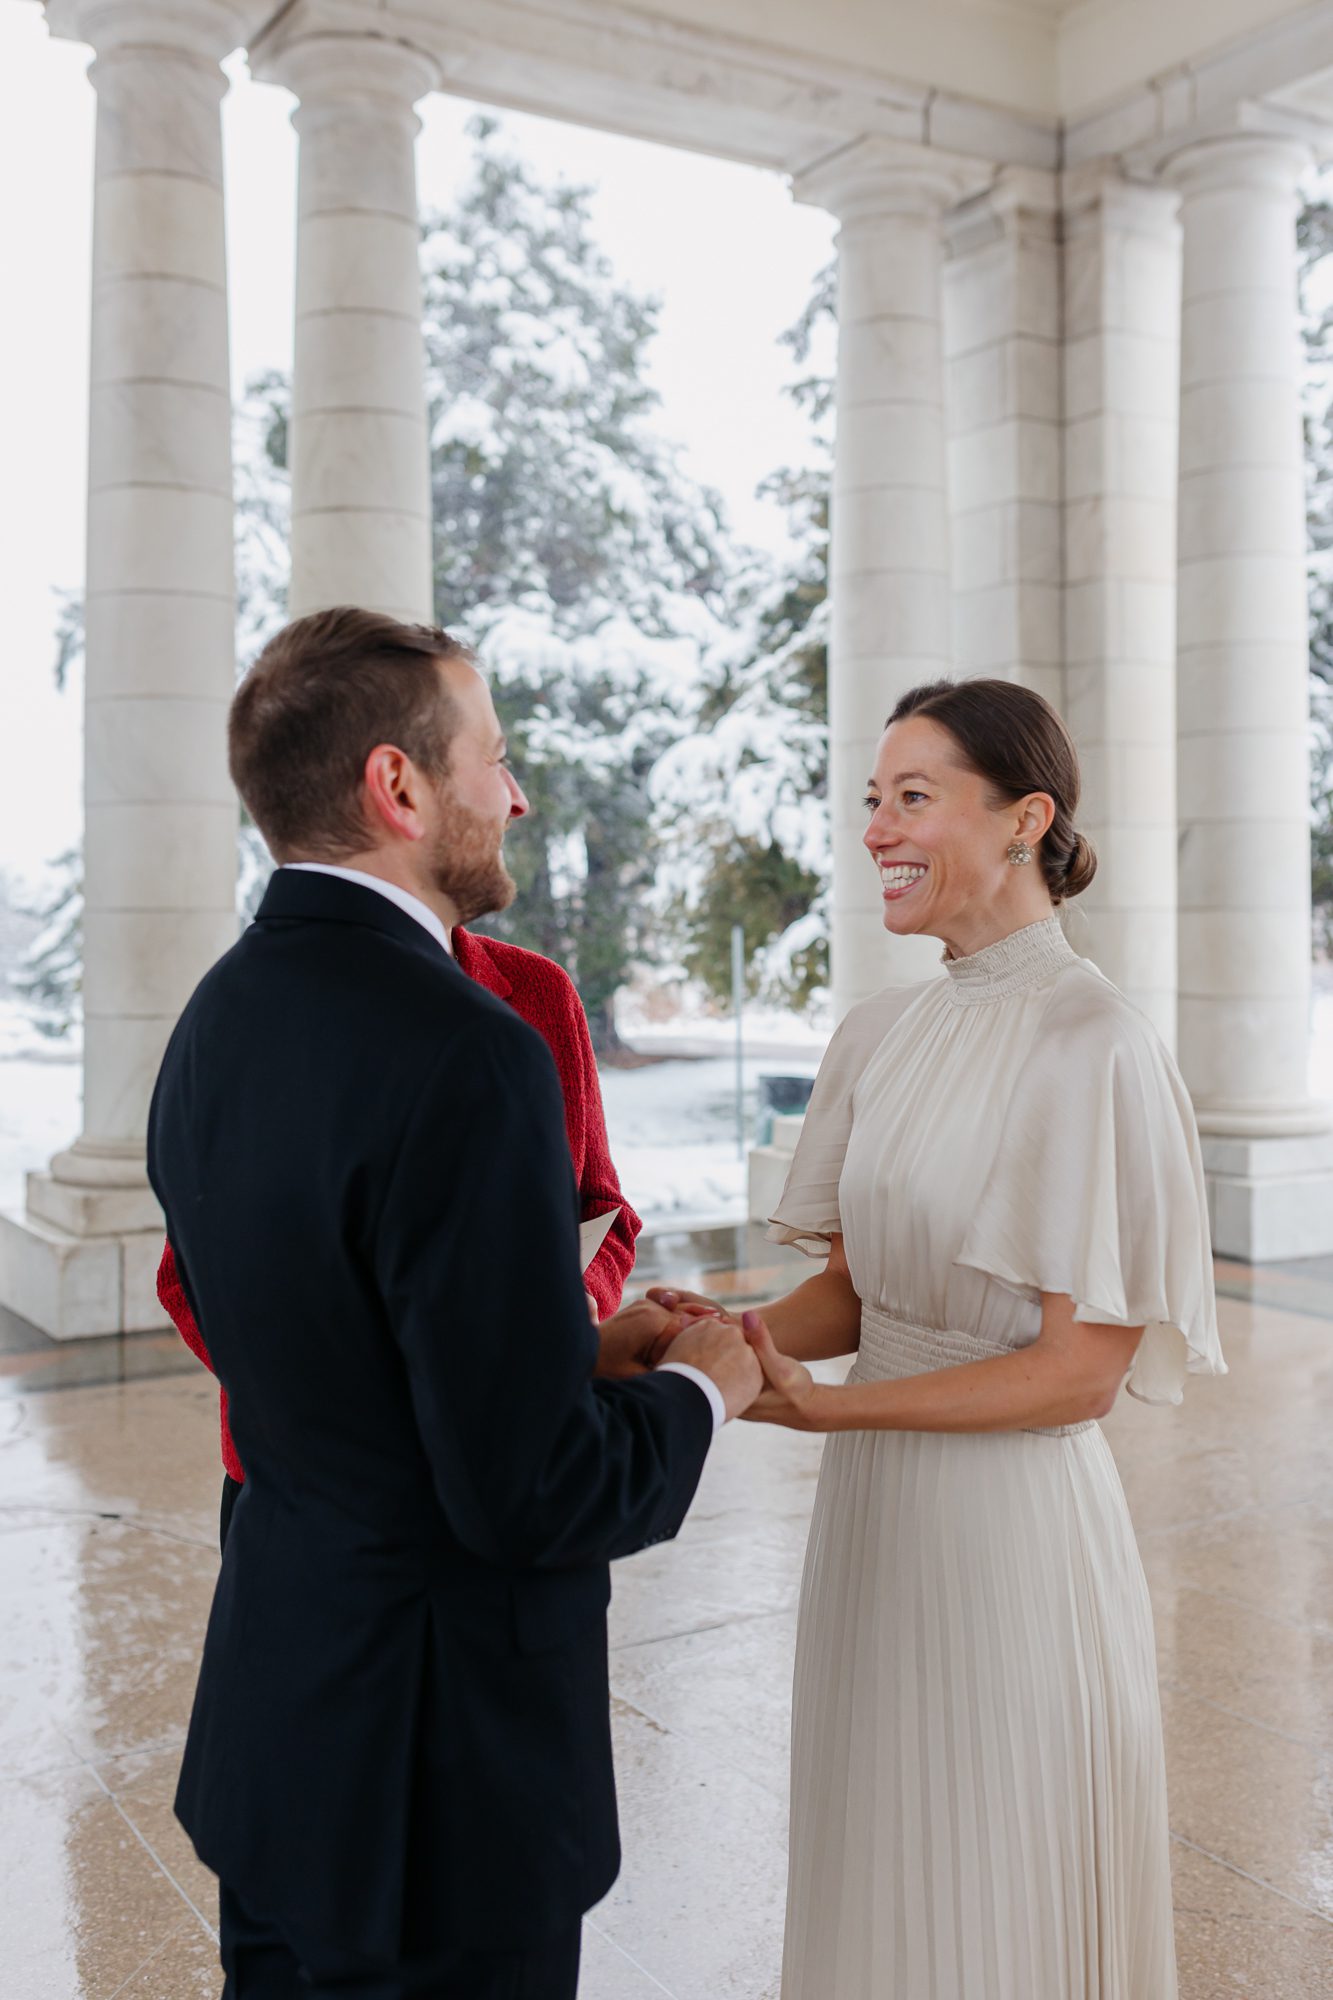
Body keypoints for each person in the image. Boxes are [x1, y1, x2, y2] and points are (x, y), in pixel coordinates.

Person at [147, 606, 761, 2000]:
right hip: (441, 1784)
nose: (516, 791)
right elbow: (532, 1494)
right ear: (398, 786)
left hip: (281, 1720)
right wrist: (704, 1384)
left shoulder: (214, 1021)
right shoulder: (469, 1052)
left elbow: (327, 1349)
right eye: (492, 756)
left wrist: (575, 1341)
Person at [680, 678, 1225, 1999]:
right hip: (875, 1525)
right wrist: (725, 1338)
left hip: (1011, 1541)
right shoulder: (880, 1032)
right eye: (873, 801)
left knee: (998, 1872)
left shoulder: (1095, 1043)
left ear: (1025, 817)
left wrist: (825, 1410)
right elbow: (863, 1300)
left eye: (911, 798)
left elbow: (1078, 1375)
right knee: (882, 1851)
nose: (874, 830)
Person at [157, 848, 643, 1555]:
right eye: (492, 763)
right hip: (309, 1491)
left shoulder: (540, 994)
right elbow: (189, 1278)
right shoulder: (262, 1010)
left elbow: (603, 1207)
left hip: (516, 1462)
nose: (515, 802)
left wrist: (578, 1308)